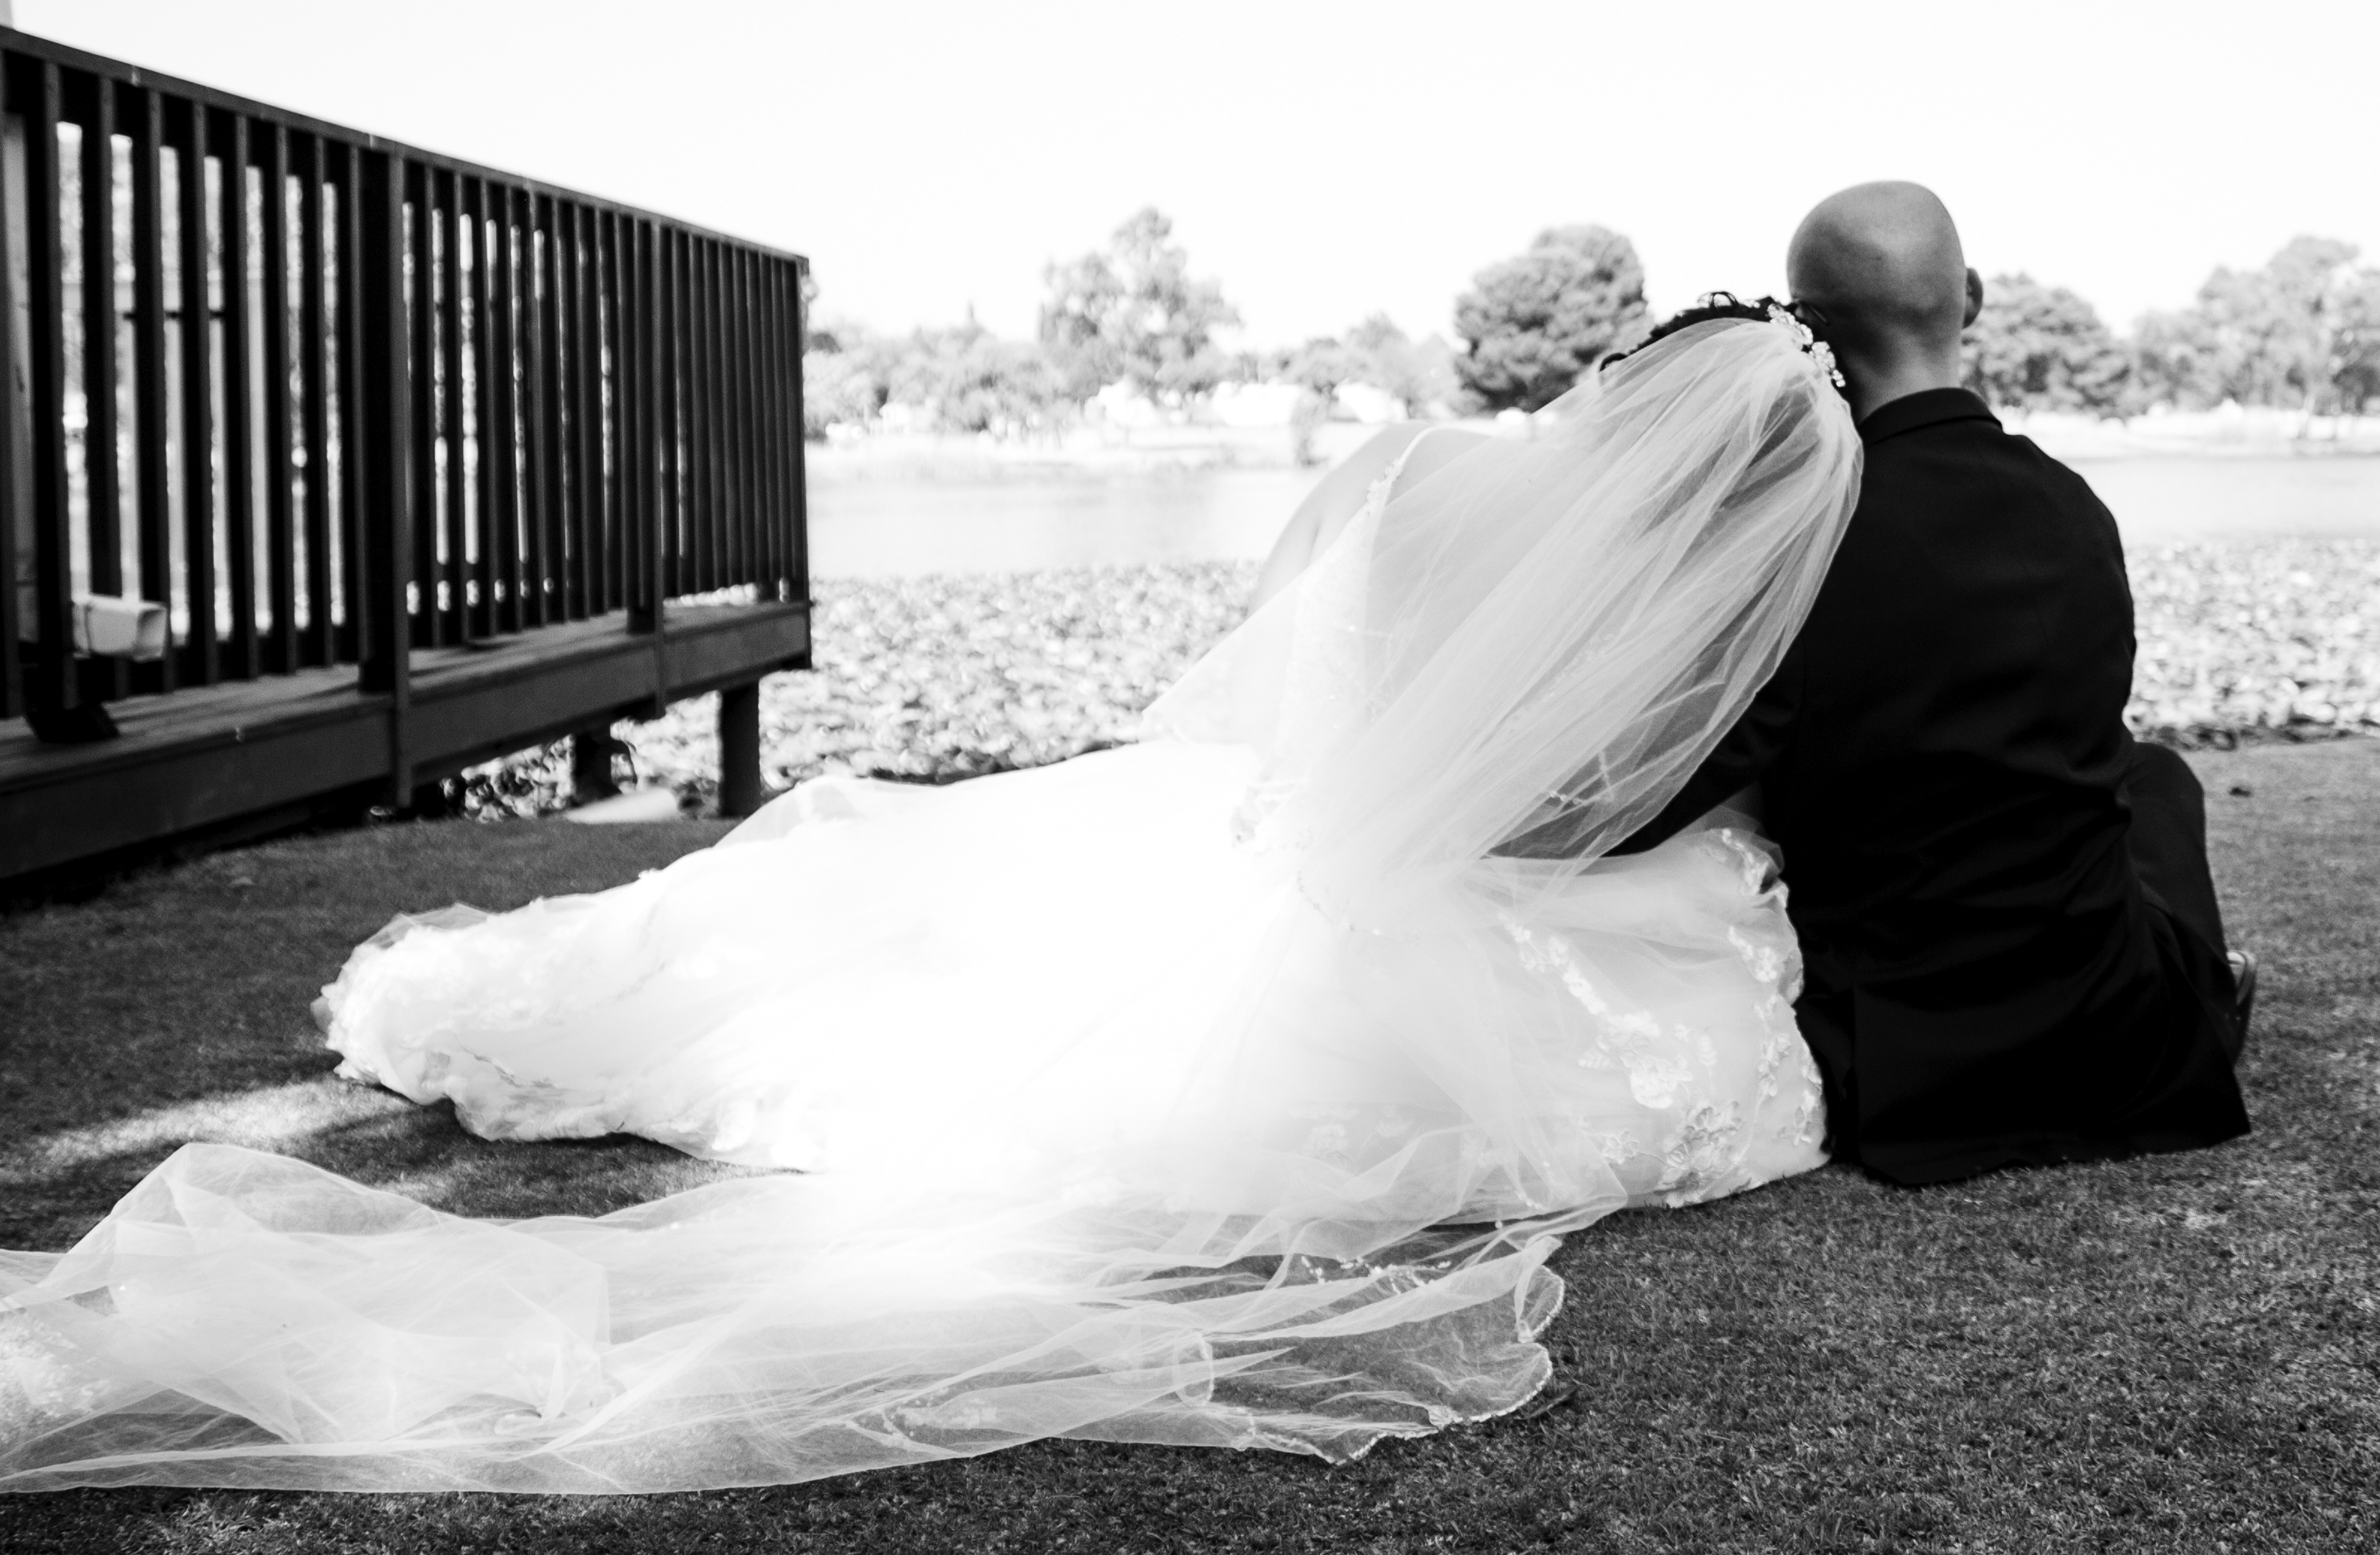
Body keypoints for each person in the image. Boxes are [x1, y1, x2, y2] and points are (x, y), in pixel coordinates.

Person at [0, 306, 1859, 1493]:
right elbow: (1573, 806)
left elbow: (1285, 672)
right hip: (1414, 898)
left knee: (843, 954)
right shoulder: (1684, 609)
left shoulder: (1421, 466)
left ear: (1617, 389)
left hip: (1254, 824)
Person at [1616, 183, 2252, 1185]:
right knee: (2153, 776)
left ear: (1805, 330)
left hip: (1903, 1060)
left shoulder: (1805, 535)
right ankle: (2199, 988)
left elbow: (1678, 782)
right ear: (1974, 299)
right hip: (2115, 1031)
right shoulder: (2075, 508)